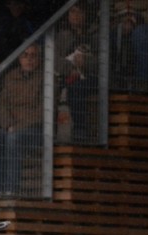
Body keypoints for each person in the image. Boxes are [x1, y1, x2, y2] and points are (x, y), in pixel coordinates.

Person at [0, 42, 43, 195]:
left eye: (33, 55)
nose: (29, 59)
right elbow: (1, 105)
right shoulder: (10, 77)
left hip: (36, 130)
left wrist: (17, 127)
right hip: (11, 127)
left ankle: (11, 189)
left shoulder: (46, 78)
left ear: (39, 58)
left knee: (13, 138)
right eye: (25, 55)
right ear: (19, 58)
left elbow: (44, 111)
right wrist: (9, 124)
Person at [54, 2, 98, 143]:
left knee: (76, 89)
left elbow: (105, 61)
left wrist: (86, 62)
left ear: (86, 15)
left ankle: (80, 131)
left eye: (79, 12)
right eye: (72, 12)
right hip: (66, 76)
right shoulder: (62, 36)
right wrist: (70, 69)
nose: (75, 16)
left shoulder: (96, 34)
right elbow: (53, 59)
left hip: (90, 77)